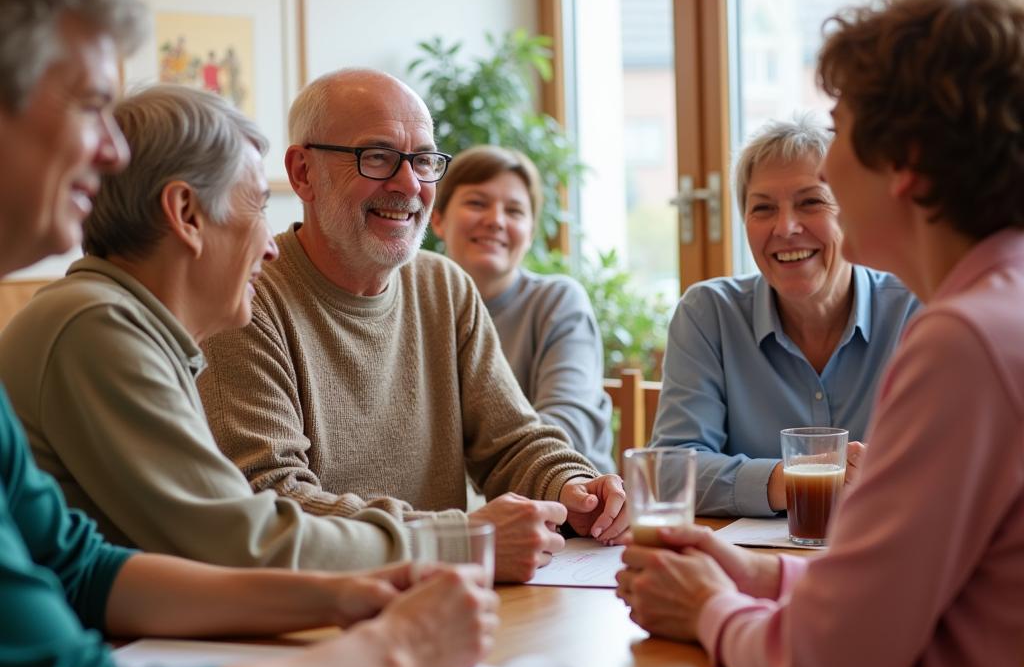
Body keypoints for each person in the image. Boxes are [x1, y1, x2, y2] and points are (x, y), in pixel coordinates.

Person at [0, 0, 498, 667]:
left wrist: (347, 594)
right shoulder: (90, 327)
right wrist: (391, 638)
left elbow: (81, 566)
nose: (108, 149)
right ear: (186, 215)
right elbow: (225, 547)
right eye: (87, 105)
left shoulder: (120, 328)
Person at [608, 0, 1024, 667]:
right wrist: (751, 574)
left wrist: (709, 609)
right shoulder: (1004, 302)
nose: (825, 171)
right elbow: (917, 591)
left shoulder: (959, 342)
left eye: (839, 136)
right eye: (766, 203)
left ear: (903, 159)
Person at [0, 83, 465, 570]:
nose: (270, 245)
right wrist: (455, 543)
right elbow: (245, 538)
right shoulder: (97, 327)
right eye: (258, 206)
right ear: (186, 215)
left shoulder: (132, 327)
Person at [198, 70, 628, 582]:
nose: (408, 185)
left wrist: (571, 488)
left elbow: (512, 443)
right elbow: (271, 498)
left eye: (424, 160)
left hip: (444, 597)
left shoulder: (444, 286)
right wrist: (461, 539)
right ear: (303, 172)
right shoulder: (247, 296)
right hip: (318, 610)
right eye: (376, 157)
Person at [650, 113, 917, 517]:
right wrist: (802, 479)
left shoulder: (915, 310)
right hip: (740, 569)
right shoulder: (707, 313)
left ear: (851, 211)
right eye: (763, 208)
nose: (786, 227)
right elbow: (671, 471)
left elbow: (961, 465)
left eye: (811, 202)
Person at [431, 144, 614, 474]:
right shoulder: (416, 305)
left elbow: (568, 430)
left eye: (515, 211)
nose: (496, 221)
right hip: (448, 515)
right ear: (438, 219)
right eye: (476, 203)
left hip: (568, 507)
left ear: (529, 233)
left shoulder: (557, 303)